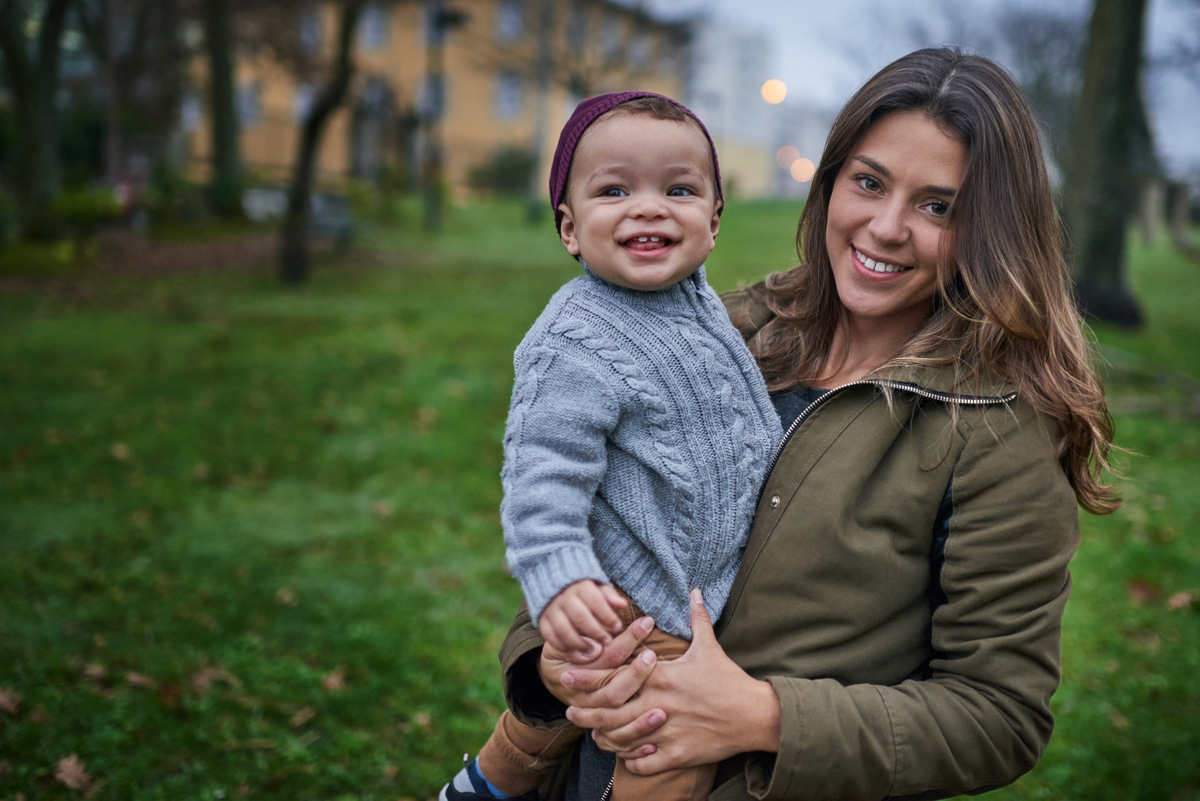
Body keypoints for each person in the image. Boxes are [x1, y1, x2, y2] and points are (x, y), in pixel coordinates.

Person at [493, 47, 1121, 801]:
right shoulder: (731, 334)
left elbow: (998, 718)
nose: (886, 227)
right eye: (869, 182)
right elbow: (580, 517)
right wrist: (545, 659)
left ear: (991, 228)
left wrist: (763, 716)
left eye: (938, 206)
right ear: (828, 184)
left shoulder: (998, 428)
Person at [439, 92, 782, 801]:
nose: (649, 207)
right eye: (615, 189)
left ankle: (489, 783)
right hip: (627, 595)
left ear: (714, 222)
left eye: (679, 189)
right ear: (569, 227)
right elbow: (542, 474)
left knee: (559, 717)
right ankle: (498, 779)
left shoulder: (704, 307)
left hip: (687, 582)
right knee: (666, 741)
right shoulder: (574, 339)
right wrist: (559, 577)